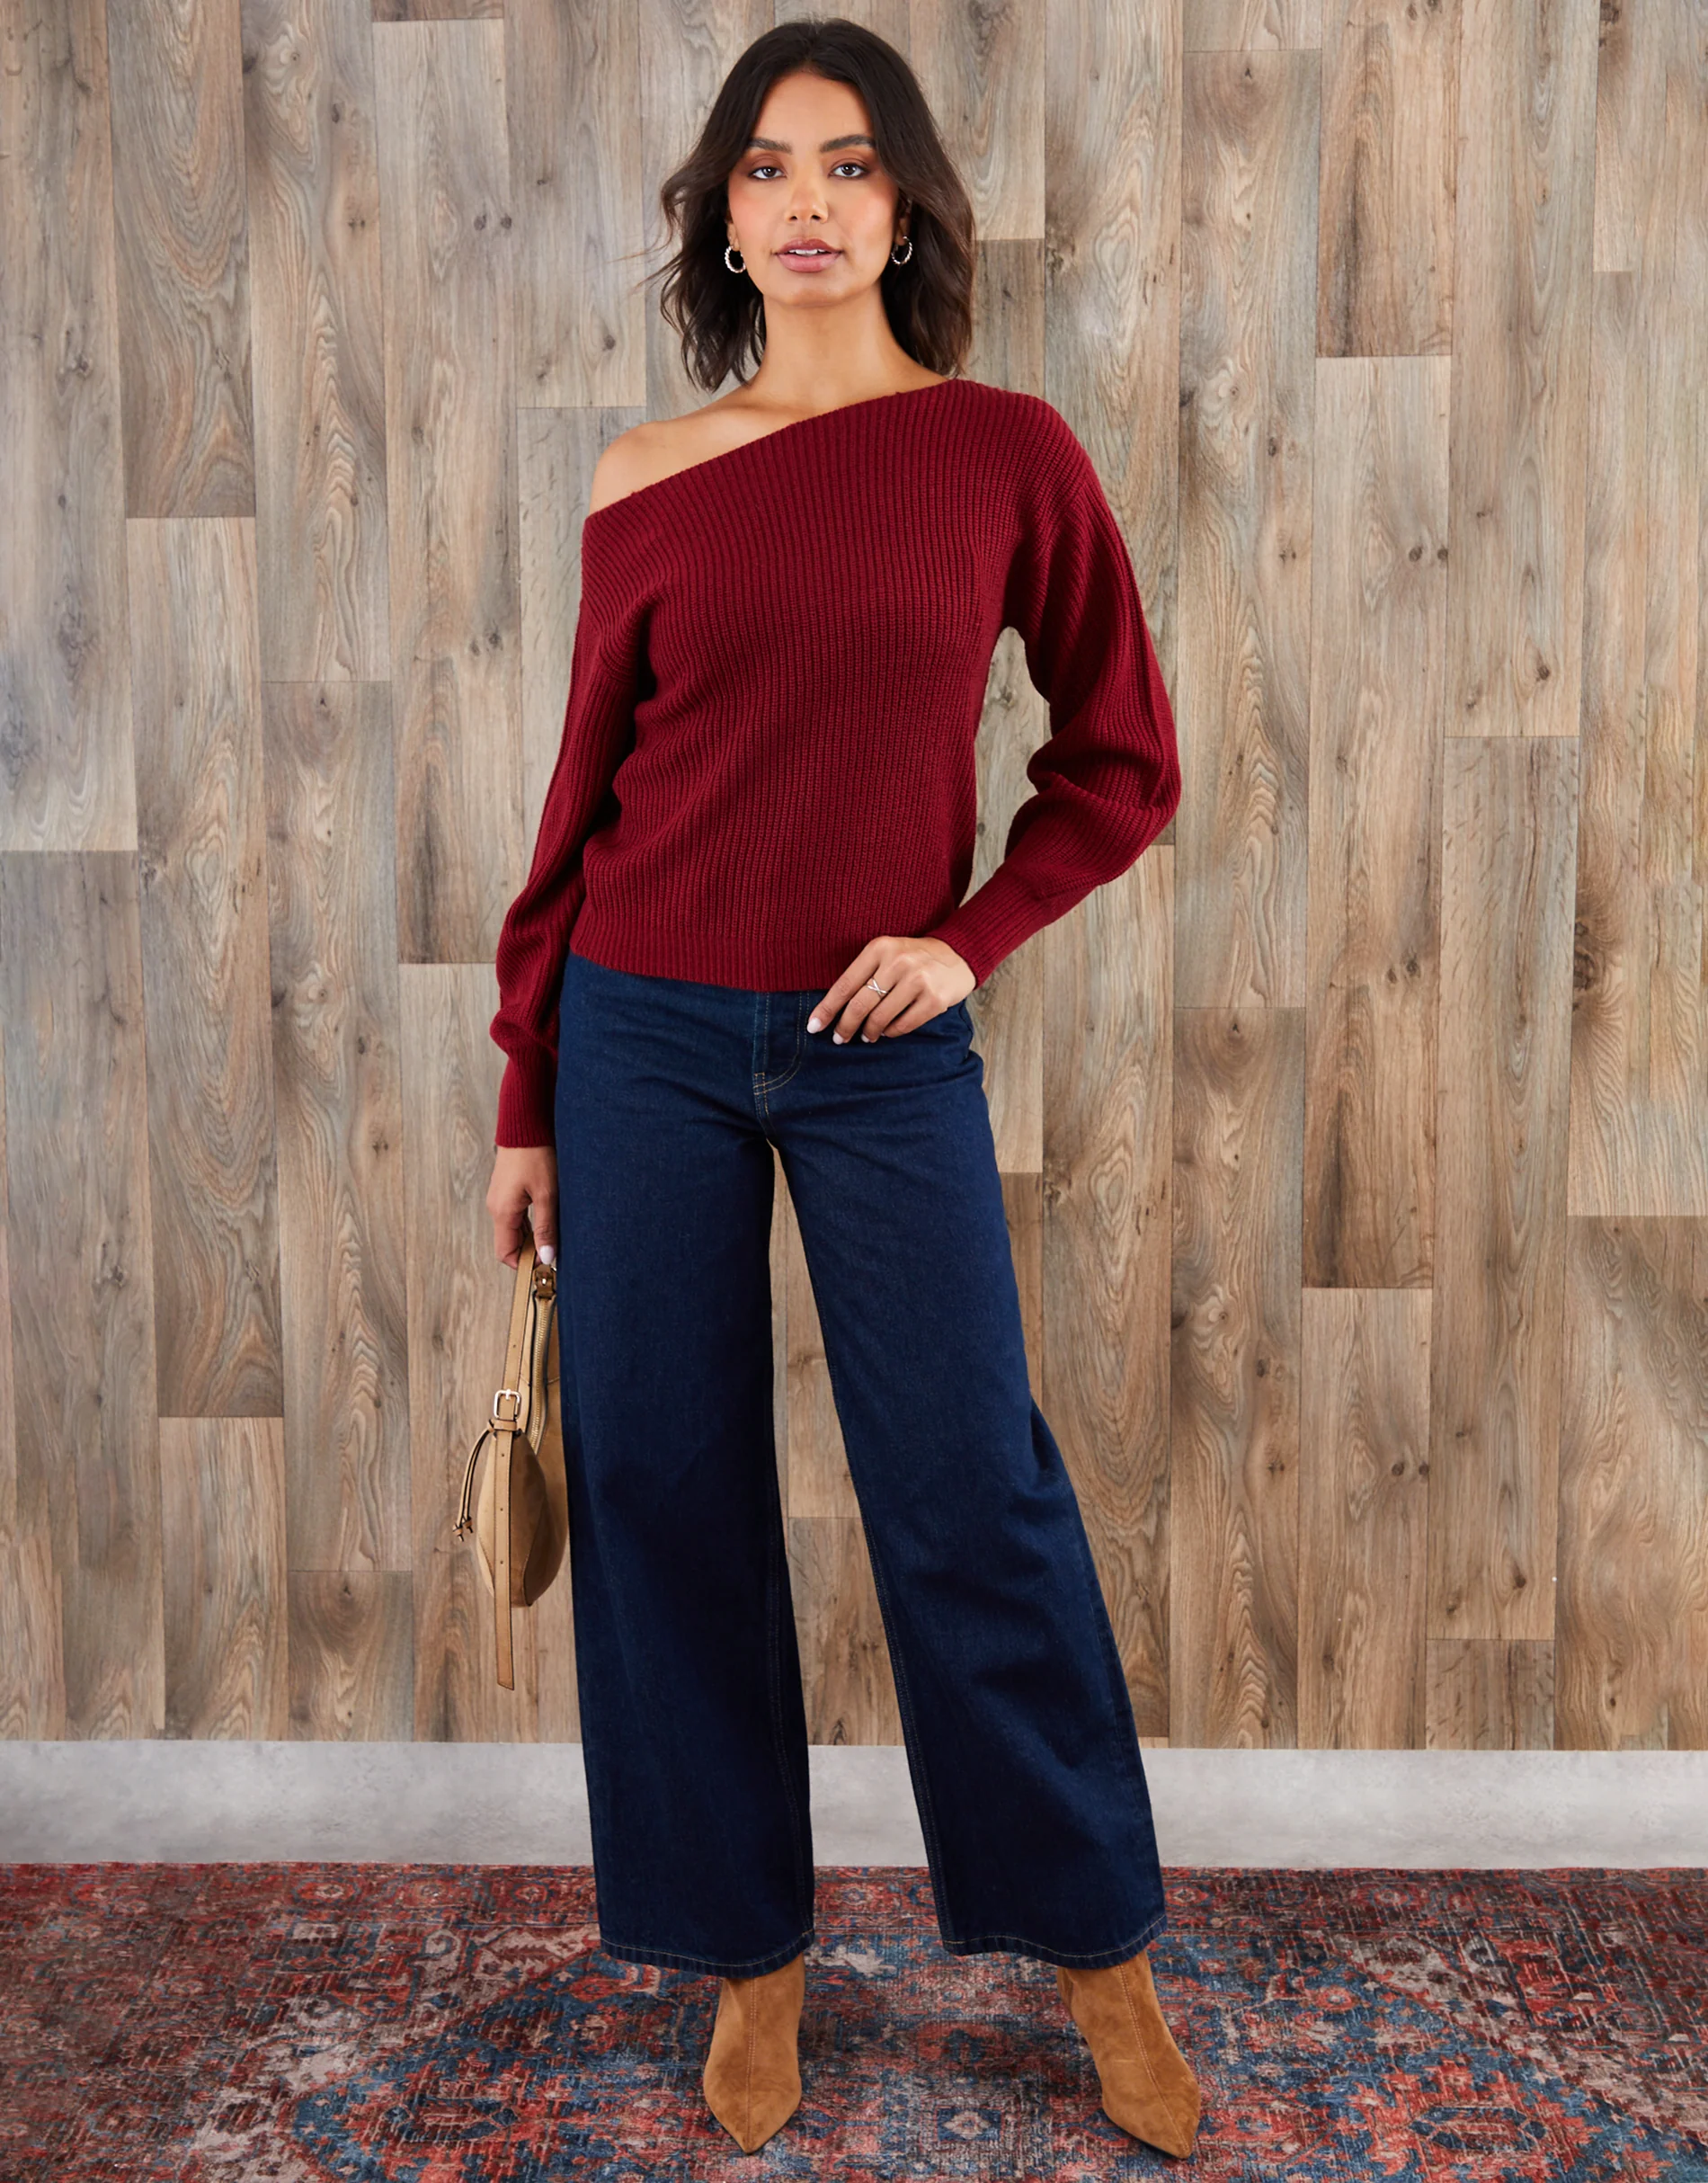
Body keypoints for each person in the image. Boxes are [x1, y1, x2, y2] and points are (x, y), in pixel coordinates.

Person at [485, 18, 1198, 2161]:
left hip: (879, 1049)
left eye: (851, 163)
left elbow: (1118, 757)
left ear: (906, 210)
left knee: (969, 1487)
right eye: (768, 167)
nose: (807, 201)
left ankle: (1099, 1952)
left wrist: (965, 936)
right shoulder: (643, 473)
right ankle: (750, 1957)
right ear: (725, 215)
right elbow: (580, 801)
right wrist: (526, 1091)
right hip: (636, 1032)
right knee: (662, 1483)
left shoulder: (1005, 455)